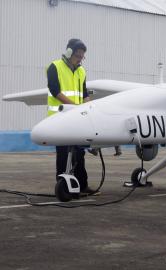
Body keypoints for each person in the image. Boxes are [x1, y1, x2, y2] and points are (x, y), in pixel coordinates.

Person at [47, 38, 95, 195]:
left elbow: (84, 93)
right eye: (78, 55)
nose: (80, 59)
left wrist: (90, 108)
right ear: (69, 53)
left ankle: (82, 185)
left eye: (82, 56)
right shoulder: (54, 67)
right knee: (63, 153)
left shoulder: (81, 71)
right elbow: (55, 91)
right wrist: (74, 107)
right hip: (59, 117)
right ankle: (63, 186)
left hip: (76, 118)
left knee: (79, 153)